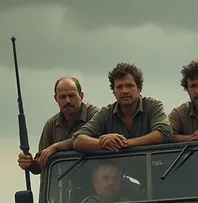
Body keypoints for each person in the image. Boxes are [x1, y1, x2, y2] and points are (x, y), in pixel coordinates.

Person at [36, 63, 173, 165]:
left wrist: (124, 143)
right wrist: (103, 142)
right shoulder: (106, 113)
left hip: (155, 173)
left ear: (139, 88)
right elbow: (78, 140)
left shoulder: (153, 106)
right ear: (113, 91)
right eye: (119, 87)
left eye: (129, 86)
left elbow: (165, 132)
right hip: (121, 178)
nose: (125, 91)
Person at [17, 76, 98, 174]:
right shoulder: (51, 125)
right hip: (62, 186)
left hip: (93, 183)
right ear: (56, 99)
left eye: (71, 96)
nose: (67, 101)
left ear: (81, 96)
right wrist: (30, 163)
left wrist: (56, 147)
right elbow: (41, 164)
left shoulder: (95, 116)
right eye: (62, 97)